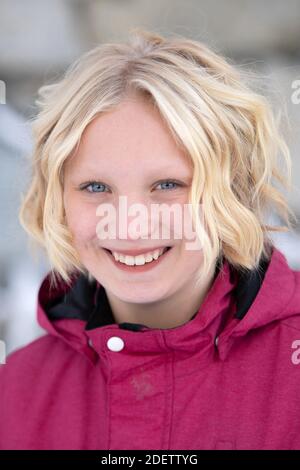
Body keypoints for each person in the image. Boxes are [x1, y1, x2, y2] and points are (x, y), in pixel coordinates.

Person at [0, 27, 299, 450]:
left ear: (230, 189)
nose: (131, 226)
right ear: (57, 198)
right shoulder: (16, 391)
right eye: (96, 188)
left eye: (166, 185)